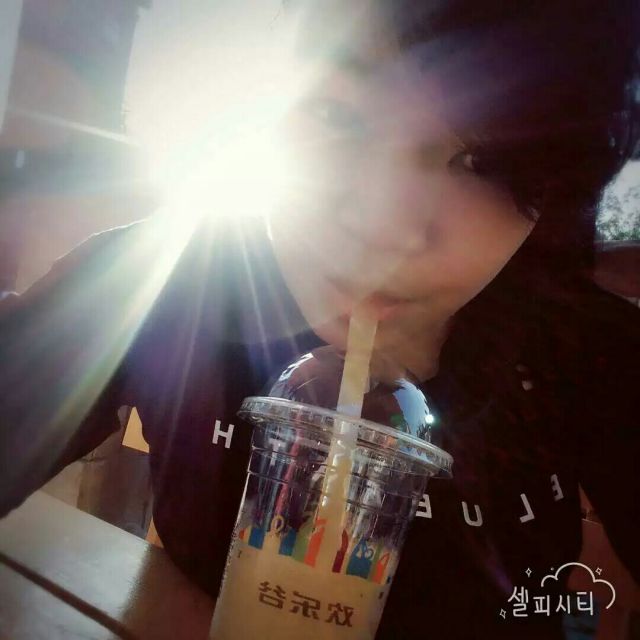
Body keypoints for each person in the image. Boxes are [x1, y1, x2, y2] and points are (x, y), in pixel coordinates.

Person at [1, 1, 639, 638]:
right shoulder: (162, 277)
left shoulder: (589, 349)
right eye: (337, 115)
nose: (382, 227)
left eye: (482, 160)